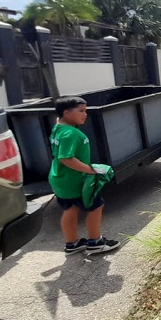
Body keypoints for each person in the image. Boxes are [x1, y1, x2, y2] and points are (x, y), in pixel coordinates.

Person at [48, 96, 121, 255]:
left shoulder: (58, 128)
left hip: (59, 178)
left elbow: (58, 121)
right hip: (74, 180)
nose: (85, 114)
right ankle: (95, 242)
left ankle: (72, 244)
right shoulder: (70, 133)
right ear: (67, 113)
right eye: (81, 111)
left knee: (70, 209)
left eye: (85, 111)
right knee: (96, 206)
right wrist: (90, 170)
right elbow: (66, 158)